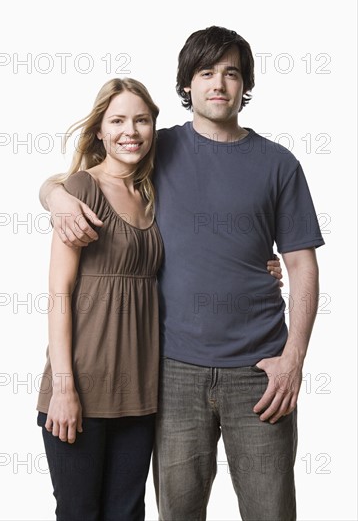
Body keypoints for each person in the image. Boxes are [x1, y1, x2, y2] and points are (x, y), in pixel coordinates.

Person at [38, 25, 319, 521]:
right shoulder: (155, 148)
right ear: (186, 84)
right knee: (175, 513)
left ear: (244, 85)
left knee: (270, 510)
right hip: (171, 373)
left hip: (260, 373)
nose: (218, 84)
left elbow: (301, 264)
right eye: (206, 72)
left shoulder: (279, 164)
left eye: (231, 73)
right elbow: (84, 176)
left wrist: (293, 358)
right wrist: (54, 196)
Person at [36, 78, 164, 521]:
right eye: (118, 120)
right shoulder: (81, 191)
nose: (131, 131)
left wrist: (262, 262)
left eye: (141, 120)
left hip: (141, 393)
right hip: (81, 390)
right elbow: (59, 293)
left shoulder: (153, 194)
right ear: (100, 132)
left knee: (128, 514)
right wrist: (64, 388)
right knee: (77, 513)